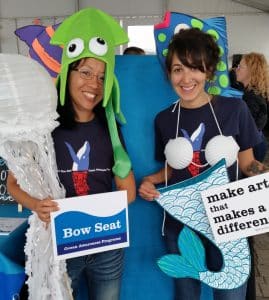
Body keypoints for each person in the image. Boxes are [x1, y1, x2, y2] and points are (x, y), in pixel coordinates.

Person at [7, 7, 136, 300]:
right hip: (60, 245)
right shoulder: (45, 128)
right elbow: (13, 184)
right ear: (67, 71)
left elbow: (127, 192)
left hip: (107, 247)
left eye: (102, 77)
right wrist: (36, 204)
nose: (94, 84)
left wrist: (102, 205)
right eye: (86, 72)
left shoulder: (111, 126)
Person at [138, 27, 269, 300]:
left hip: (227, 224)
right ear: (169, 74)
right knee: (187, 296)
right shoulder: (164, 119)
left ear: (209, 71)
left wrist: (265, 178)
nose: (186, 78)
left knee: (231, 295)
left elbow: (247, 164)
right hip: (182, 226)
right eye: (178, 69)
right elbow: (172, 170)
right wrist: (149, 182)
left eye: (195, 68)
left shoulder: (235, 110)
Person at [236, 52, 269, 162]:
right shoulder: (253, 92)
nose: (236, 69)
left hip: (253, 145)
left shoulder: (251, 97)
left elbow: (247, 128)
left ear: (251, 71)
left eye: (240, 66)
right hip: (258, 141)